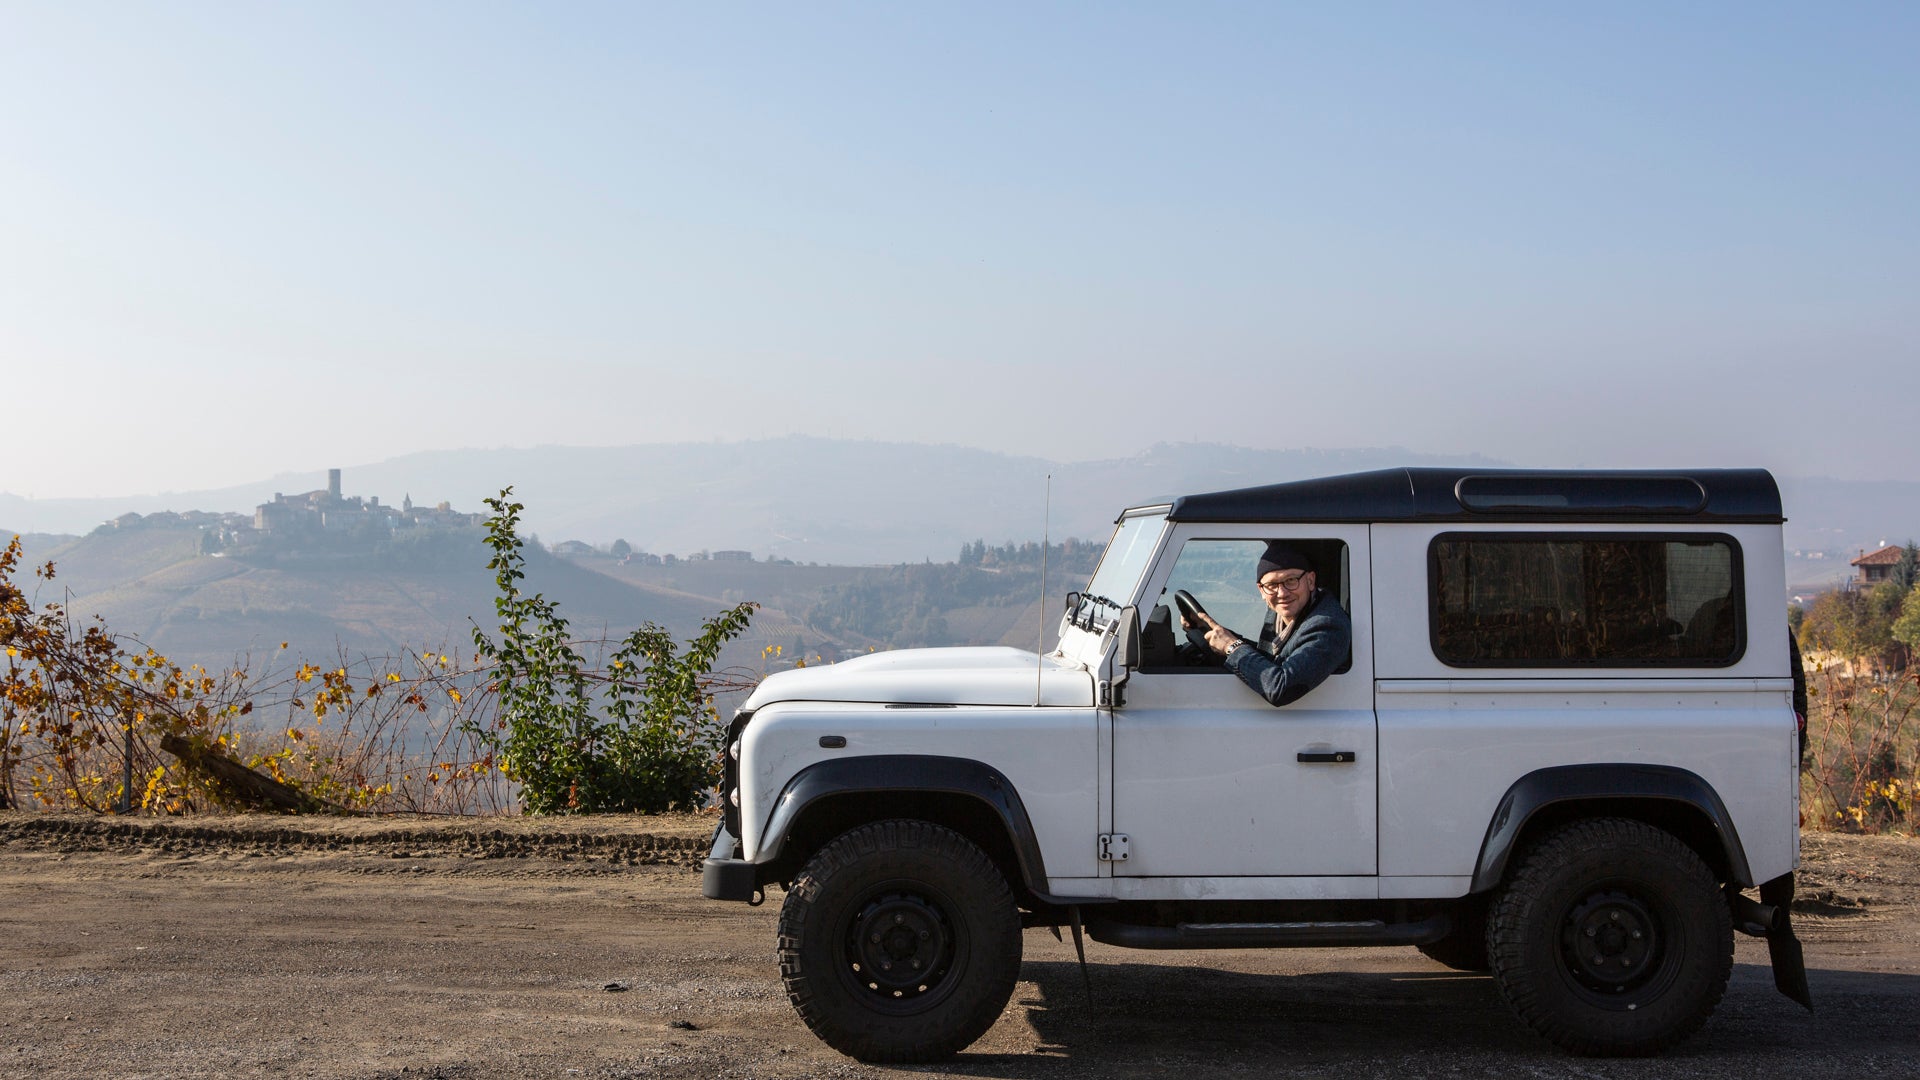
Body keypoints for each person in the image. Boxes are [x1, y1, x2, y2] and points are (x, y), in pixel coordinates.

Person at [1182, 541, 1352, 707]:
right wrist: (1217, 635)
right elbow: (1267, 658)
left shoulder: (1328, 626)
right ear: (1261, 590)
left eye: (1291, 580)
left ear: (1310, 581)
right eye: (1271, 585)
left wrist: (1231, 646)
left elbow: (1281, 688)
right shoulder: (1278, 613)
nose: (1282, 593)